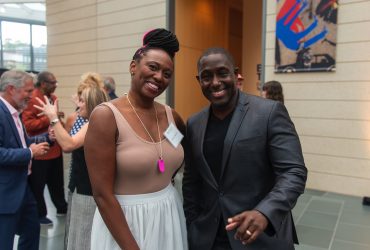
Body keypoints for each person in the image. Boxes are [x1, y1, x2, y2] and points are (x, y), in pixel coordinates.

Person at [182, 47, 307, 250]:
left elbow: (293, 172)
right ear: (199, 81)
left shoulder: (269, 112)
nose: (215, 82)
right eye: (206, 77)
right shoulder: (194, 123)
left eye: (222, 73)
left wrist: (265, 212)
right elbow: (191, 181)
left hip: (260, 238)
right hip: (209, 238)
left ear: (235, 73)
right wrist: (193, 223)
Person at [84, 28, 187, 250]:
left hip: (168, 214)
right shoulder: (106, 116)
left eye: (167, 74)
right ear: (133, 67)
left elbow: (185, 153)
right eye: (153, 67)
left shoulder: (172, 116)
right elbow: (102, 195)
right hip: (124, 223)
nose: (159, 77)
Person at [33, 72, 108, 250]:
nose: (78, 105)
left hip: (87, 189)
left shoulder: (93, 123)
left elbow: (69, 144)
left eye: (82, 101)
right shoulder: (92, 120)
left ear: (91, 104)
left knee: (82, 236)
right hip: (82, 185)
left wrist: (52, 117)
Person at [0, 70, 50, 250]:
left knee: (31, 231)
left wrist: (47, 138)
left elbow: (23, 142)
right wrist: (29, 153)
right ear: (11, 89)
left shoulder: (15, 112)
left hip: (23, 188)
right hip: (6, 192)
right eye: (28, 91)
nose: (32, 95)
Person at [22, 71, 68, 225]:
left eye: (56, 82)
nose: (55, 85)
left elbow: (54, 121)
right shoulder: (31, 98)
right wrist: (49, 117)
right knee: (38, 186)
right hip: (40, 150)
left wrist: (56, 119)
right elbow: (28, 125)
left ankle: (62, 208)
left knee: (57, 183)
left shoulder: (54, 98)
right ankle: (40, 214)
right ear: (43, 84)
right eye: (52, 82)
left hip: (55, 149)